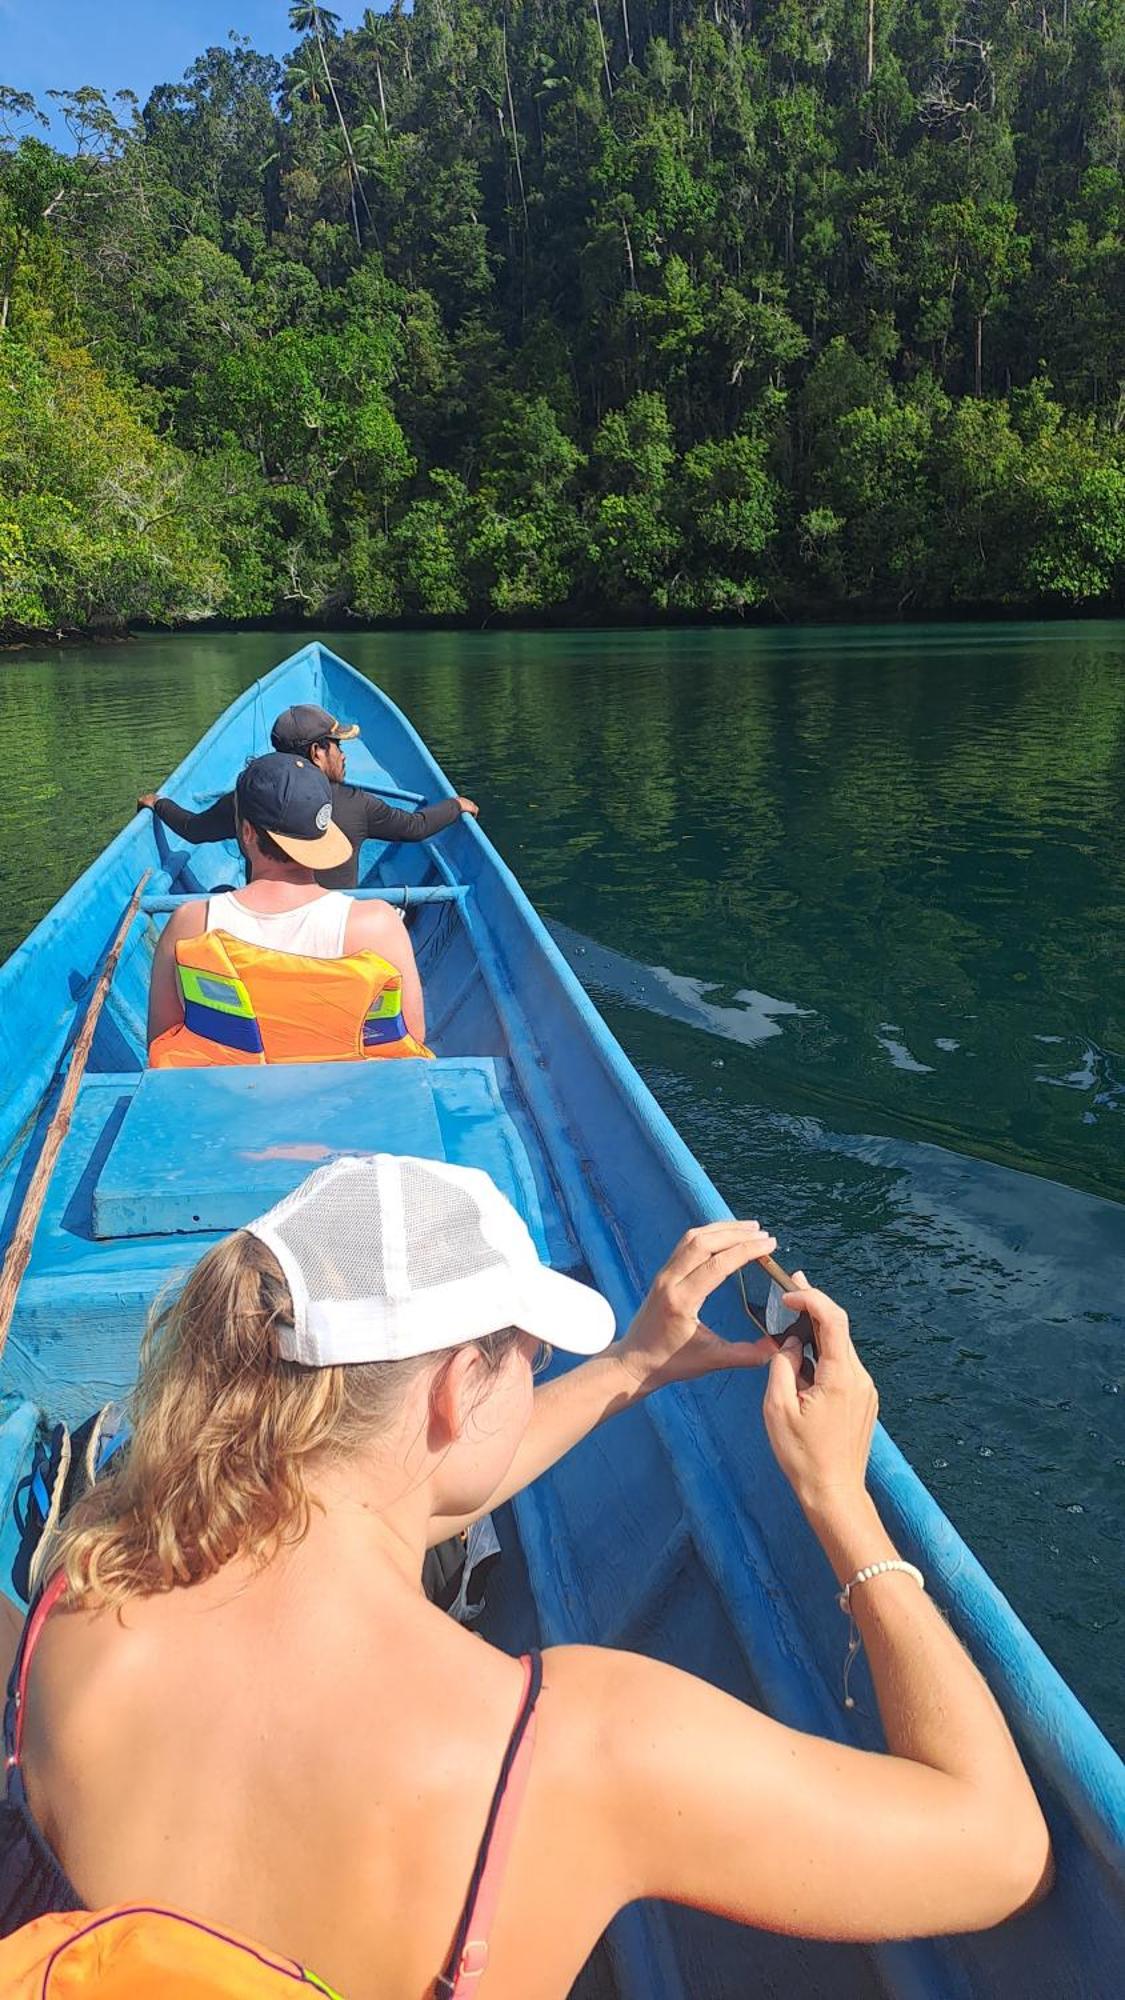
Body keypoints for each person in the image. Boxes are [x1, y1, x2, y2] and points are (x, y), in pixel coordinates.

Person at [0, 1156, 1051, 1997]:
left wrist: (632, 1365)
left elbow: (403, 1492)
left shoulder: (86, 1582)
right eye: (528, 1356)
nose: (538, 1371)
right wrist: (840, 1500)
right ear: (461, 1386)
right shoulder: (571, 1748)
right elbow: (999, 1848)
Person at [147, 753, 429, 1066]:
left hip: (231, 1106)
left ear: (249, 832)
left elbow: (162, 1041)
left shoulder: (191, 924)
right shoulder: (377, 925)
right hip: (351, 1104)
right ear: (322, 831)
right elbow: (413, 1038)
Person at [139, 703, 479, 891]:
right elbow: (416, 827)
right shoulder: (357, 804)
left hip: (267, 931)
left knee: (222, 897)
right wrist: (455, 806)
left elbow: (194, 829)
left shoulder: (246, 799)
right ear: (317, 752)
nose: (344, 756)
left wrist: (160, 804)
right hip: (334, 936)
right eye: (338, 746)